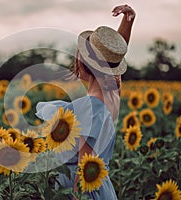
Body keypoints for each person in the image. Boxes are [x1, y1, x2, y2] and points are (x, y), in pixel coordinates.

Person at [36, 4, 135, 200]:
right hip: (101, 186)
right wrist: (129, 20)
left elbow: (84, 166)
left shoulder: (88, 107)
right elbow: (114, 54)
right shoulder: (113, 92)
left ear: (83, 62)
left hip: (82, 191)